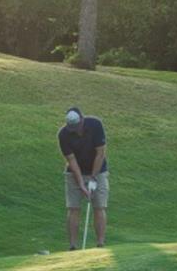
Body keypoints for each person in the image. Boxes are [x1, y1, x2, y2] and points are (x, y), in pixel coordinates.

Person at [58, 106, 109, 249]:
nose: (75, 129)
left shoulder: (95, 125)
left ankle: (100, 244)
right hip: (74, 172)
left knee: (99, 206)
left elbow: (100, 153)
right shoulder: (63, 135)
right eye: (72, 127)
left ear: (82, 119)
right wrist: (81, 183)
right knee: (73, 207)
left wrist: (93, 177)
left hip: (98, 171)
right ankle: (73, 246)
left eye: (77, 126)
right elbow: (71, 161)